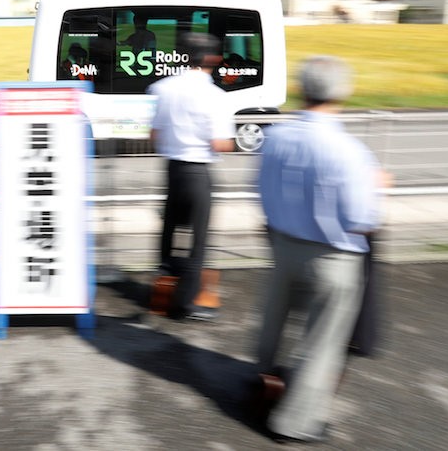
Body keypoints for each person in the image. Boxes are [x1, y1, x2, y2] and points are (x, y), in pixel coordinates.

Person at [254, 56, 389, 443]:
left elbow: (259, 190)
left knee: (274, 316)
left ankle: (263, 375)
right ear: (343, 92)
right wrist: (379, 186)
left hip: (283, 244)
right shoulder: (351, 152)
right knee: (322, 341)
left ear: (301, 89)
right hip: (333, 256)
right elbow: (362, 217)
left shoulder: (276, 138)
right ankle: (294, 422)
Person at [147, 32, 235, 321]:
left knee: (169, 229)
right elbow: (221, 143)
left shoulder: (161, 88)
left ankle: (164, 280)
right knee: (198, 238)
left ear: (184, 56)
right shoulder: (216, 96)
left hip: (172, 169)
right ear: (213, 59)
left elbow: (154, 135)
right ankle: (186, 304)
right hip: (199, 172)